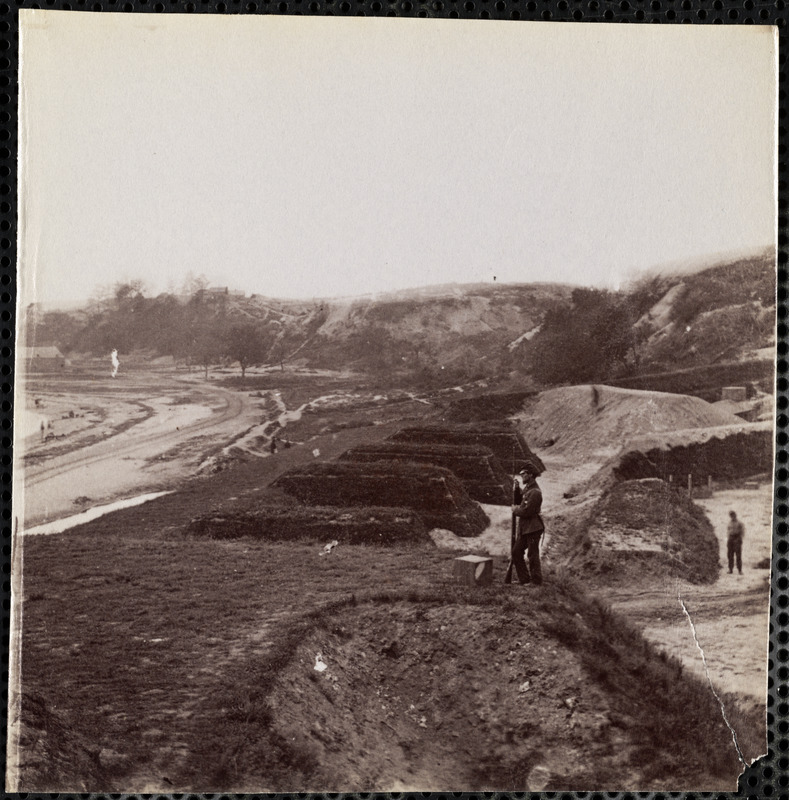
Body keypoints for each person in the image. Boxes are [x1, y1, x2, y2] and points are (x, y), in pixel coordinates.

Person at [511, 463, 545, 585]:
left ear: (530, 475)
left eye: (524, 474)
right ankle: (524, 579)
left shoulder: (535, 492)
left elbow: (527, 511)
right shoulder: (528, 489)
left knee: (532, 555)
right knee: (516, 552)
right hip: (526, 528)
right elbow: (521, 501)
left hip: (533, 528)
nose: (522, 476)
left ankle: (536, 581)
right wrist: (516, 489)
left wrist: (515, 510)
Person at [727, 510, 745, 575]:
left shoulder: (740, 523)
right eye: (731, 515)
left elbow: (743, 532)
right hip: (731, 539)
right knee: (730, 554)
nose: (732, 516)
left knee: (738, 555)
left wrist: (740, 539)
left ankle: (740, 570)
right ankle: (730, 569)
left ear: (735, 515)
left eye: (733, 515)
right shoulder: (729, 523)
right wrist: (729, 539)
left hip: (737, 538)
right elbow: (728, 531)